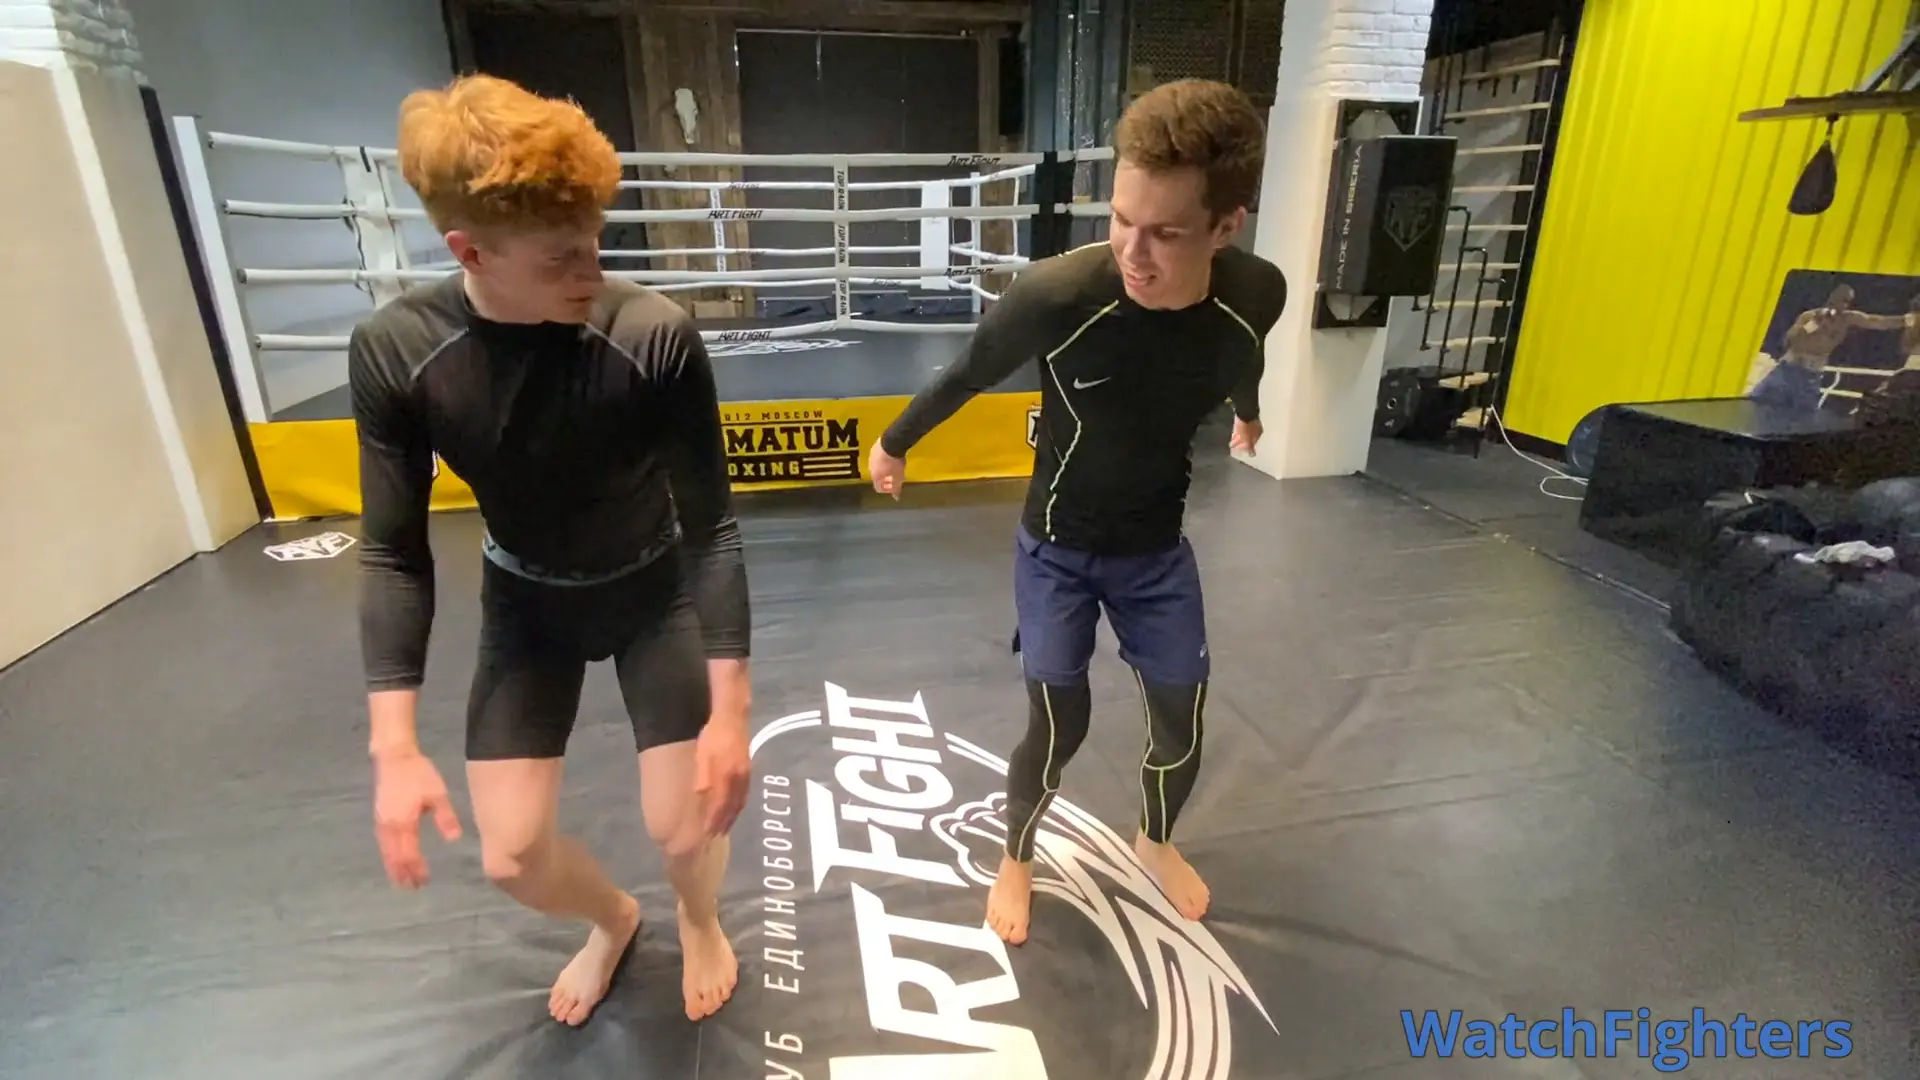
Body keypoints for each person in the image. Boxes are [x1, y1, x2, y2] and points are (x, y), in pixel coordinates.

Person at [349, 74, 753, 1026]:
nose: (591, 273)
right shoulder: (399, 352)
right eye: (561, 258)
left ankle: (698, 918)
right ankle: (614, 921)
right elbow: (393, 553)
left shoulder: (651, 336)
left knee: (684, 823)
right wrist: (393, 747)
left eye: (596, 244)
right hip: (528, 606)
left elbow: (713, 529)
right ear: (470, 251)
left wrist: (732, 712)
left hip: (653, 592)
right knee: (513, 855)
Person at [866, 78, 1286, 945]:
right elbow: (967, 372)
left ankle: (1153, 839)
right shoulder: (1056, 296)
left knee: (1182, 715)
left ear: (1226, 226)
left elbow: (1245, 353)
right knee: (1060, 722)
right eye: (1121, 220)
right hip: (1056, 549)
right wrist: (895, 443)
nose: (1134, 251)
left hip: (1156, 554)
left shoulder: (1256, 293)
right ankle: (1016, 855)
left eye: (1165, 233)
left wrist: (1248, 412)